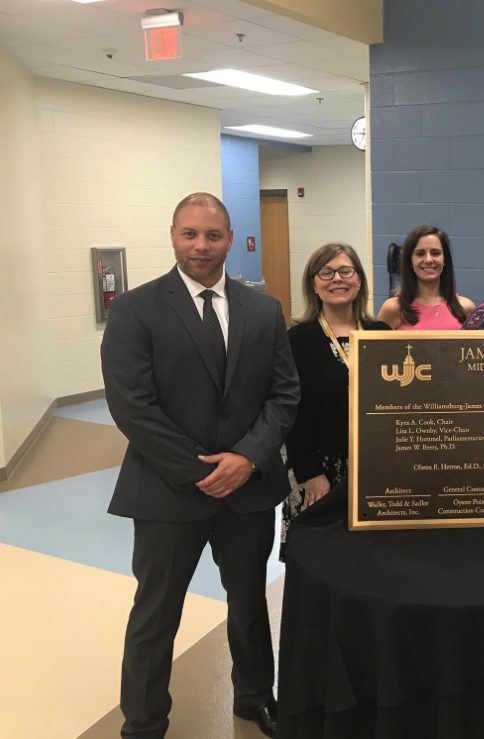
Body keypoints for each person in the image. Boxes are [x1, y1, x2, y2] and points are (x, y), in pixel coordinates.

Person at [102, 193, 299, 739]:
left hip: (248, 489)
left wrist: (247, 458)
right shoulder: (135, 309)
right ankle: (143, 723)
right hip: (168, 490)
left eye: (213, 235)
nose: (201, 246)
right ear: (172, 236)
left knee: (248, 602)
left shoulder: (264, 310)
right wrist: (202, 470)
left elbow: (284, 395)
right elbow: (131, 406)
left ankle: (255, 697)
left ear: (230, 239)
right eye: (190, 234)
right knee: (156, 614)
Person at [281, 243, 390, 558]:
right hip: (319, 472)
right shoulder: (296, 340)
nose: (337, 279)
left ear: (359, 280)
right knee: (320, 560)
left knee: (371, 560)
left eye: (345, 270)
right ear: (313, 283)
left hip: (375, 468)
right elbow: (290, 413)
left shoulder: (381, 333)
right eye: (326, 272)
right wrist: (311, 474)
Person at [376, 225, 476, 330]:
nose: (428, 260)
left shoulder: (466, 308)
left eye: (435, 253)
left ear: (444, 260)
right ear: (410, 260)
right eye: (420, 254)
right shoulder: (393, 308)